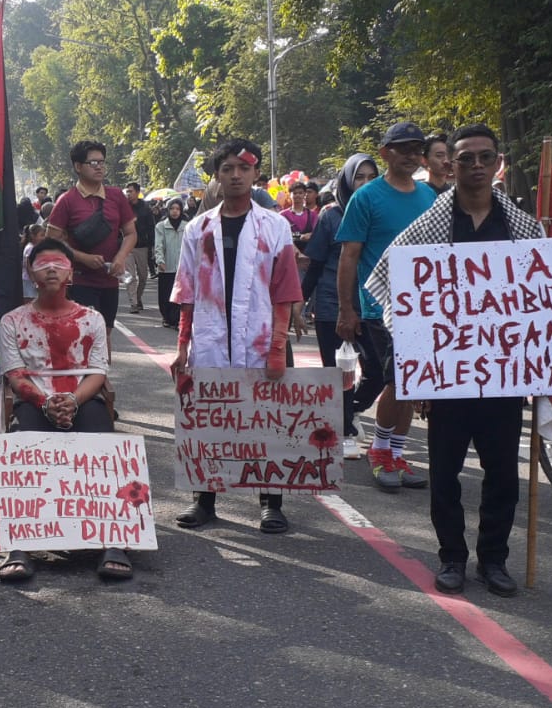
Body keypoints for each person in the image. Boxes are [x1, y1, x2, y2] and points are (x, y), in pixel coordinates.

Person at [363, 124, 543, 598]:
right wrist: (420, 371)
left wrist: (539, 361)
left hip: (503, 375)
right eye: (466, 158)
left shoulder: (525, 229)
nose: (476, 166)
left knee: (502, 475)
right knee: (444, 474)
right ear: (451, 164)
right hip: (448, 376)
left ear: (497, 163)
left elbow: (543, 302)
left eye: (485, 157)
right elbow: (399, 295)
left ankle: (494, 560)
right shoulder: (427, 228)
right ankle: (452, 558)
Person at [170, 138, 304, 534]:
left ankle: (271, 502)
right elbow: (186, 291)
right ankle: (204, 500)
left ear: (256, 173)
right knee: (210, 416)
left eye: (244, 168)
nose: (235, 175)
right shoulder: (198, 228)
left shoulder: (275, 226)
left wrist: (277, 348)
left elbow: (284, 291)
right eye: (227, 168)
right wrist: (182, 347)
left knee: (268, 418)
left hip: (262, 339)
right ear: (216, 176)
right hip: (210, 339)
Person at [0, 238, 126, 582]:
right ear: (31, 274)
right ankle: (18, 545)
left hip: (82, 398)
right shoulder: (12, 321)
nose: (51, 269)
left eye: (58, 264)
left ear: (71, 274)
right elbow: (15, 374)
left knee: (104, 444)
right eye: (42, 264)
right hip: (34, 400)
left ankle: (113, 540)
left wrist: (74, 400)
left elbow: (98, 372)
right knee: (21, 444)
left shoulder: (92, 318)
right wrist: (45, 402)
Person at [335, 121, 436, 491]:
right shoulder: (366, 198)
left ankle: (396, 452)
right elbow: (349, 255)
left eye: (416, 148)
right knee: (400, 381)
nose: (411, 155)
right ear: (385, 153)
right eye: (403, 148)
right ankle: (379, 450)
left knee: (413, 382)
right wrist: (347, 309)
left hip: (424, 306)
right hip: (382, 307)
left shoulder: (429, 196)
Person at [306, 154, 378, 461]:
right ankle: (345, 431)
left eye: (371, 177)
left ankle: (353, 410)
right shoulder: (331, 216)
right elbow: (315, 264)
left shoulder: (381, 212)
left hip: (373, 306)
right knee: (338, 372)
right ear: (347, 181)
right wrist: (297, 304)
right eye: (359, 177)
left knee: (379, 370)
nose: (365, 183)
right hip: (331, 305)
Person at [46, 140, 138, 336]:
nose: (99, 167)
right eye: (93, 163)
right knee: (85, 336)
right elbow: (51, 242)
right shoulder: (66, 201)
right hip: (80, 281)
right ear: (78, 166)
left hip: (110, 281)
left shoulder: (116, 196)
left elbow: (131, 233)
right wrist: (82, 257)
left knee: (105, 333)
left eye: (102, 162)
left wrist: (121, 257)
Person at [153, 197, 185, 329]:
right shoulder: (161, 226)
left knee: (180, 294)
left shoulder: (187, 226)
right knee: (166, 294)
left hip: (182, 267)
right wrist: (160, 260)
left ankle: (177, 319)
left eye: (177, 209)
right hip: (166, 266)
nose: (175, 211)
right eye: (172, 208)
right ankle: (166, 317)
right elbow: (158, 245)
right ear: (168, 210)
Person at [124, 182, 154, 312]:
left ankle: (138, 297)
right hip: (127, 247)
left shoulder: (145, 208)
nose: (128, 194)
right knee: (131, 276)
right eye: (127, 191)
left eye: (131, 191)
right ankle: (134, 303)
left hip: (142, 246)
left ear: (137, 192)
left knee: (143, 276)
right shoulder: (124, 207)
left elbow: (151, 228)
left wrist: (152, 245)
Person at [20, 224, 46, 299]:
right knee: (30, 301)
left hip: (34, 280)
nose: (43, 238)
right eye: (41, 235)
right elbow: (29, 267)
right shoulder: (30, 248)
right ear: (32, 236)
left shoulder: (35, 247)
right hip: (29, 280)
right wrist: (34, 282)